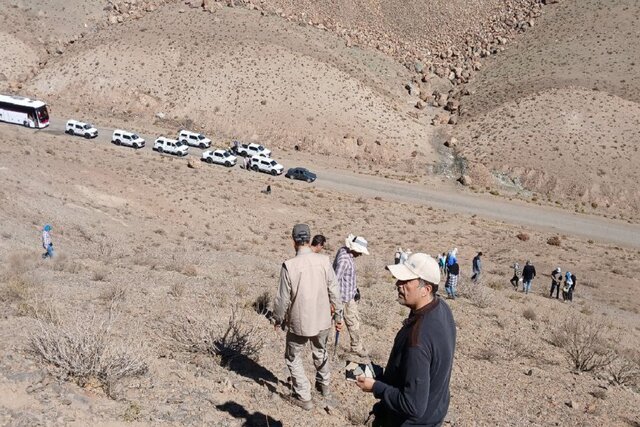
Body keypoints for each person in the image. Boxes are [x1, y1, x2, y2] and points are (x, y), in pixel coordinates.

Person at [356, 252, 456, 427]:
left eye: (406, 281)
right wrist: (388, 375)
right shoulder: (442, 309)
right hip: (434, 414)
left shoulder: (418, 339)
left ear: (426, 289)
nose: (398, 284)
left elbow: (412, 405)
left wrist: (375, 387)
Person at [273, 224, 344, 410]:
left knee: (293, 356)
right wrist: (339, 316)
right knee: (320, 351)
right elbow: (335, 290)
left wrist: (277, 319)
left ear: (293, 241)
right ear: (309, 238)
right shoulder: (324, 261)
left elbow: (282, 299)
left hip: (300, 322)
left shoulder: (289, 266)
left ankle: (304, 396)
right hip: (322, 320)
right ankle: (324, 386)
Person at [333, 233, 369, 357]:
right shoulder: (344, 260)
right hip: (343, 298)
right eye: (360, 251)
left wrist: (355, 290)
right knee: (352, 322)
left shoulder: (344, 251)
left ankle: (356, 346)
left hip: (350, 294)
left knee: (353, 321)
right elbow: (335, 281)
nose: (361, 254)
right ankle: (356, 347)